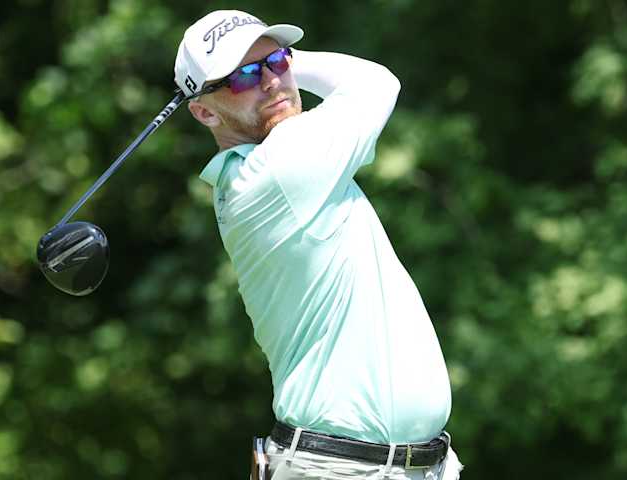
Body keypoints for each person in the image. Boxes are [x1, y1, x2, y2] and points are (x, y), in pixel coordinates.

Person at [174, 9, 463, 480]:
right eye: (244, 77)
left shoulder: (255, 172)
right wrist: (292, 64)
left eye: (279, 61)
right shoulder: (281, 167)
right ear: (205, 111)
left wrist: (266, 66)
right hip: (344, 470)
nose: (271, 81)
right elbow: (375, 82)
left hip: (395, 466)